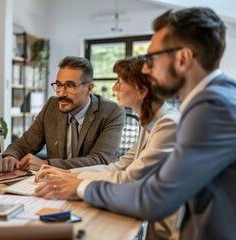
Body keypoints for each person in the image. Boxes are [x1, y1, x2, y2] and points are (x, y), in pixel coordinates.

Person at [35, 7, 236, 239]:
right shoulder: (216, 98)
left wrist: (79, 187)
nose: (147, 69)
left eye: (152, 58)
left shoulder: (211, 108)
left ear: (183, 59)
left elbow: (154, 197)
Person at [35, 57, 180, 239]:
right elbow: (118, 167)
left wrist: (78, 185)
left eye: (120, 82)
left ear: (141, 91)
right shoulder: (151, 123)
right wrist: (69, 174)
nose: (114, 88)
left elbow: (129, 179)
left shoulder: (169, 125)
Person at [0, 56, 125, 172]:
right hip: (53, 187)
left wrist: (47, 165)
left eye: (70, 86)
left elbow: (100, 160)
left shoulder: (112, 111)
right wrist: (11, 156)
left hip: (91, 185)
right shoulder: (51, 106)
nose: (61, 93)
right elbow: (24, 145)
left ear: (89, 88)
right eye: (58, 85)